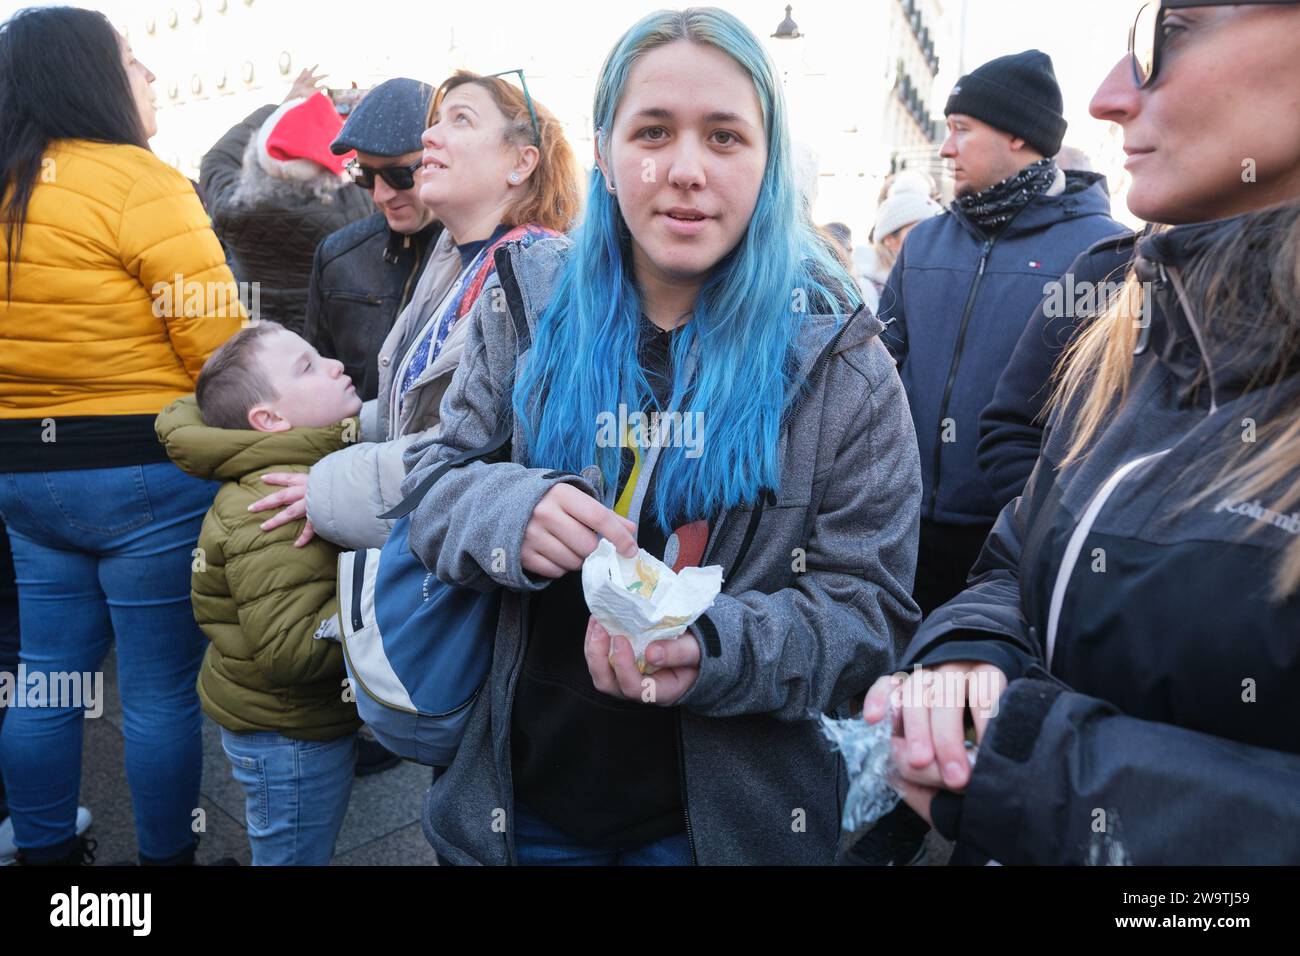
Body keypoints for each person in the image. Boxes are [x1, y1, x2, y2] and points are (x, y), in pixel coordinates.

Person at [401, 7, 921, 866]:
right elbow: (432, 487)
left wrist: (715, 645)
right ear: (604, 153)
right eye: (652, 131)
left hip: (720, 829)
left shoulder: (845, 365)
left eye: (724, 136)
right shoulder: (524, 307)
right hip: (520, 803)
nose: (684, 170)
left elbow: (869, 614)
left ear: (769, 161)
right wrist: (511, 510)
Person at [865, 0, 1300, 865]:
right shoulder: (1137, 317)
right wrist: (968, 654)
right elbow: (1028, 556)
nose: (1108, 97)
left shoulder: (1092, 255)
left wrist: (1046, 776)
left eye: (1171, 34)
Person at [0, 6, 242, 866]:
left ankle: (44, 855)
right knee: (156, 691)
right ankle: (167, 862)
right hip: (144, 472)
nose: (148, 77)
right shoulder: (139, 182)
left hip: (25, 476)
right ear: (91, 77)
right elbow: (215, 343)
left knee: (46, 675)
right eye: (133, 61)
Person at [247, 70, 582, 554]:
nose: (429, 135)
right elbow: (415, 411)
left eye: (460, 119)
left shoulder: (537, 272)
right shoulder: (459, 257)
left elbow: (484, 449)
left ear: (521, 162)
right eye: (435, 121)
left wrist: (328, 487)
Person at [878, 49, 1122, 616]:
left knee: (979, 697)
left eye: (961, 129)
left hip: (1016, 543)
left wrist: (1040, 516)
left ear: (1016, 137)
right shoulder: (924, 243)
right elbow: (877, 368)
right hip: (899, 528)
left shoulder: (1102, 253)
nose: (945, 148)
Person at [155, 322, 363, 865]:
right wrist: (386, 588)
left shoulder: (301, 470)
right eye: (308, 366)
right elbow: (291, 650)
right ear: (269, 420)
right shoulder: (273, 505)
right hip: (288, 736)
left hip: (289, 725)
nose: (335, 365)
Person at [200, 68, 374, 333]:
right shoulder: (353, 210)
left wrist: (284, 107)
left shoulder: (231, 207)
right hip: (329, 338)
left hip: (259, 336)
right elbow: (371, 167)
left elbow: (217, 159)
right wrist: (363, 118)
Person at [303, 77, 445, 403]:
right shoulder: (338, 255)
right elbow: (317, 378)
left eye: (398, 174)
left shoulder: (485, 255)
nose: (381, 194)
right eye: (364, 175)